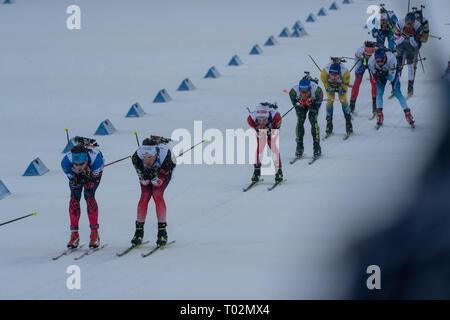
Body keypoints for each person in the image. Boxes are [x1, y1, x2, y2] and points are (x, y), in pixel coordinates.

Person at [131, 136, 176, 247]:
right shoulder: (136, 158)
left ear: (156, 153)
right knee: (145, 195)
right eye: (144, 157)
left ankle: (162, 231)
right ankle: (139, 231)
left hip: (163, 170)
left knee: (157, 194)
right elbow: (145, 183)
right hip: (149, 171)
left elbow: (158, 183)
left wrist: (154, 177)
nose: (147, 160)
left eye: (150, 157)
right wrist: (145, 176)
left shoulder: (166, 156)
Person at [61, 137, 104, 249]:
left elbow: (94, 178)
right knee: (74, 198)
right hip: (77, 174)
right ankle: (74, 234)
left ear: (86, 161)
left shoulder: (96, 160)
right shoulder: (66, 162)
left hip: (92, 172)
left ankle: (94, 234)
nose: (78, 167)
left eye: (81, 164)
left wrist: (88, 179)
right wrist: (75, 179)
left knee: (89, 195)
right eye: (75, 164)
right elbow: (72, 178)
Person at [368, 49, 415, 128]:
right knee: (379, 93)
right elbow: (373, 78)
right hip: (381, 75)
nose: (379, 63)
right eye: (377, 61)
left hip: (391, 73)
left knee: (397, 92)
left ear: (385, 58)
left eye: (381, 61)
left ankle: (408, 114)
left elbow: (392, 78)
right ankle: (379, 115)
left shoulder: (391, 59)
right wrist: (377, 75)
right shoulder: (371, 61)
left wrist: (384, 73)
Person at [288, 73, 323, 158]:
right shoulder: (293, 92)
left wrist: (312, 105)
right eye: (301, 92)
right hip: (301, 105)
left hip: (313, 104)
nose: (303, 94)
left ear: (310, 89)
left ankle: (316, 146)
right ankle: (299, 146)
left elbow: (318, 104)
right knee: (300, 120)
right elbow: (295, 104)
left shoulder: (318, 91)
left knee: (313, 120)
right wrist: (300, 104)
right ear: (299, 89)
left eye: (306, 92)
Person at [247, 103, 283, 183]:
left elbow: (277, 127)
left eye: (264, 120)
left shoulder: (275, 117)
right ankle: (256, 172)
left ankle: (279, 172)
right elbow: (252, 124)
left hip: (273, 126)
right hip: (261, 130)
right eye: (259, 120)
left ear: (268, 118)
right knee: (260, 148)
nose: (261, 122)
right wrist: (257, 129)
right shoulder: (251, 118)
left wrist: (271, 130)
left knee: (273, 147)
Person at [394, 12, 423, 96]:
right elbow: (396, 42)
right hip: (400, 44)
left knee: (410, 65)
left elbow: (417, 45)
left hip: (412, 45)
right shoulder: (399, 24)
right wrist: (403, 36)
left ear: (414, 22)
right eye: (407, 24)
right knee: (398, 65)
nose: (409, 26)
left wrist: (410, 37)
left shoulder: (418, 27)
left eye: (411, 24)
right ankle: (395, 87)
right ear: (405, 21)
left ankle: (410, 88)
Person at [320, 59, 352, 137]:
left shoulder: (346, 74)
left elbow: (344, 91)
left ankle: (348, 124)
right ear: (329, 73)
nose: (334, 77)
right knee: (330, 101)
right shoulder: (324, 74)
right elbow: (326, 87)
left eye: (336, 75)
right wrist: (330, 88)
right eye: (332, 75)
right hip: (330, 85)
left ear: (340, 73)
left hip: (341, 85)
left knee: (343, 100)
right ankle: (329, 124)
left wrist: (340, 89)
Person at [349, 41, 377, 117]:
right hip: (361, 63)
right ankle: (351, 108)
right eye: (367, 55)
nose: (368, 56)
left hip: (372, 64)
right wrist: (358, 73)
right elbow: (357, 67)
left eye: (370, 55)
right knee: (357, 82)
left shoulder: (376, 54)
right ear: (364, 51)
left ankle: (375, 109)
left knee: (374, 83)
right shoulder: (359, 52)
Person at [412, 7, 430, 81]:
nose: (417, 21)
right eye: (415, 20)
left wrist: (419, 37)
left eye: (418, 19)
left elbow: (425, 39)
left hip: (418, 40)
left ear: (421, 18)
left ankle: (413, 74)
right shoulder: (409, 21)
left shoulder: (425, 23)